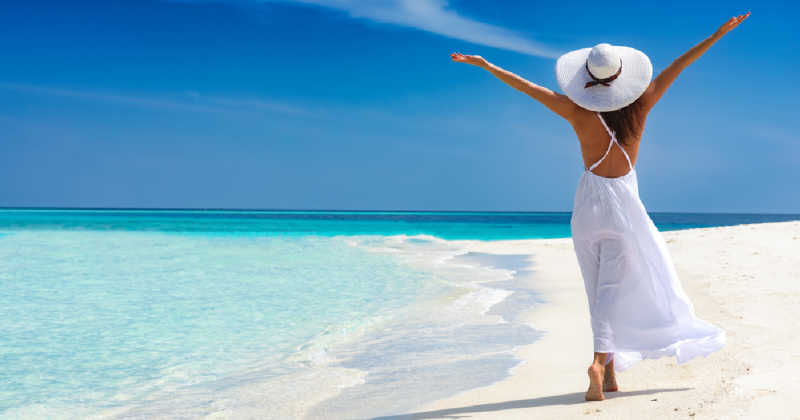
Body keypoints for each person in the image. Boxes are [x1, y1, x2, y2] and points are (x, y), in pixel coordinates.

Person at [451, 13, 749, 401]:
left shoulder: (576, 112)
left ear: (588, 79)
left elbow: (527, 87)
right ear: (623, 77)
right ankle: (598, 363)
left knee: (597, 292)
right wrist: (718, 33)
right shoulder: (642, 106)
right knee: (612, 290)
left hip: (587, 208)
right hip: (622, 208)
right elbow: (680, 65)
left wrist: (486, 65)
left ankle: (608, 374)